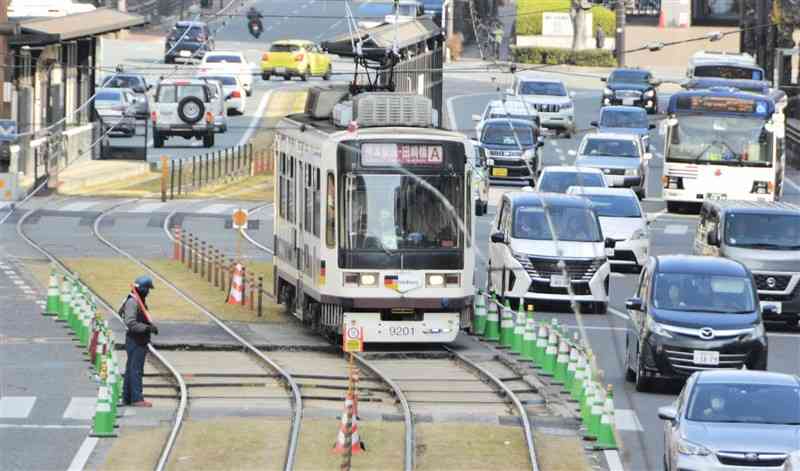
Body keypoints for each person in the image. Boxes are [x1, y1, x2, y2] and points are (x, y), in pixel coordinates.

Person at [122, 276, 159, 407]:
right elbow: (130, 322)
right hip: (136, 340)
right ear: (142, 289)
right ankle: (137, 398)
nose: (148, 292)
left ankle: (127, 397)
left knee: (131, 369)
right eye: (148, 289)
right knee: (136, 369)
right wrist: (147, 328)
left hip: (138, 339)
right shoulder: (133, 302)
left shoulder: (137, 300)